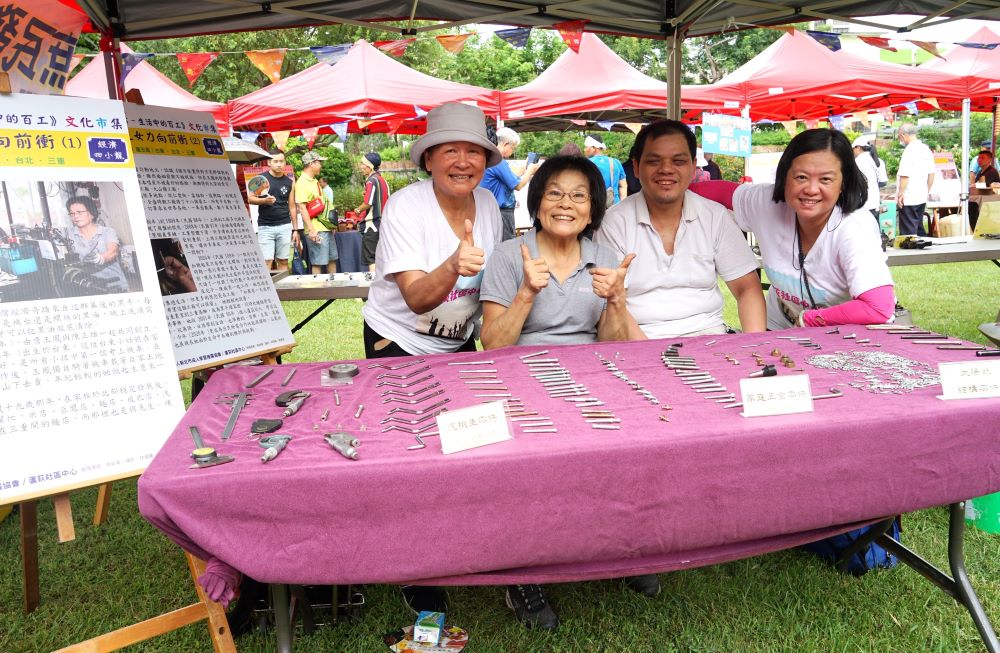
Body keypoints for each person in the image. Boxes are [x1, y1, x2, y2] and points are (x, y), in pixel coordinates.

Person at [478, 154, 659, 629]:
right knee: (525, 464)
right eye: (554, 192)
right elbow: (491, 345)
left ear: (593, 209)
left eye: (579, 195)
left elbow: (614, 346)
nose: (566, 203)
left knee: (629, 444)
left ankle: (623, 550)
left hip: (591, 374)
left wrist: (617, 300)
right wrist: (526, 294)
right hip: (517, 377)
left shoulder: (603, 259)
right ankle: (523, 573)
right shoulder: (508, 256)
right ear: (537, 203)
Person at [360, 100, 504, 623]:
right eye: (451, 151)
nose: (463, 161)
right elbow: (419, 297)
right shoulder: (405, 207)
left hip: (458, 342)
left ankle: (461, 547)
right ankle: (417, 576)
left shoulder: (488, 203)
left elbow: (491, 281)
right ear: (429, 159)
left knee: (465, 447)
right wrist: (453, 261)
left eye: (473, 151)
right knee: (407, 455)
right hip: (398, 340)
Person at [691, 128, 895, 330]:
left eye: (826, 179)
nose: (811, 189)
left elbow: (879, 307)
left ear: (843, 183)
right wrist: (664, 194)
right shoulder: (767, 202)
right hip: (776, 324)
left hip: (840, 335)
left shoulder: (853, 227)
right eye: (801, 177)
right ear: (784, 175)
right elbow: (719, 191)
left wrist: (809, 319)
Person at [594, 119, 766, 338]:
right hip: (639, 339)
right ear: (636, 167)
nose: (666, 169)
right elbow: (613, 304)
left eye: (678, 161)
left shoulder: (715, 216)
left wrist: (753, 343)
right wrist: (653, 360)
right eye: (654, 161)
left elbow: (747, 288)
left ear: (694, 167)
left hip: (710, 336)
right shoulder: (614, 223)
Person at [480, 127, 540, 241]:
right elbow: (518, 185)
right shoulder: (498, 161)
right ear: (506, 144)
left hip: (492, 209)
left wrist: (524, 169)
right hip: (501, 212)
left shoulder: (491, 159)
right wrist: (530, 171)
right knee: (506, 243)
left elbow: (510, 177)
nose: (512, 151)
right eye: (512, 148)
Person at [65, 195, 128, 292]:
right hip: (89, 286)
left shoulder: (107, 232)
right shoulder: (69, 234)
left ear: (92, 213)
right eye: (72, 213)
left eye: (79, 212)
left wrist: (101, 258)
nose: (75, 216)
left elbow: (113, 251)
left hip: (114, 284)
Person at [249, 152, 295, 272]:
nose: (279, 164)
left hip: (285, 225)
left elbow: (292, 206)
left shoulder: (289, 182)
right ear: (269, 162)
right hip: (265, 226)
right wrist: (264, 200)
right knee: (266, 261)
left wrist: (295, 229)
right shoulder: (260, 179)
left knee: (284, 260)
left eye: (281, 161)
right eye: (275, 161)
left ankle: (283, 290)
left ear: (285, 162)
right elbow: (250, 198)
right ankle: (268, 289)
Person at [295, 150, 338, 274]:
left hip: (325, 227)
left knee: (332, 259)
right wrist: (312, 230)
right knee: (318, 262)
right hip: (316, 229)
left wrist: (331, 224)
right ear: (311, 163)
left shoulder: (314, 181)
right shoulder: (302, 183)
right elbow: (302, 208)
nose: (321, 165)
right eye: (319, 162)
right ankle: (318, 291)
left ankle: (333, 290)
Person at [896, 123, 936, 236]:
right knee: (918, 227)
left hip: (909, 197)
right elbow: (931, 174)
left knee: (909, 232)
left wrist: (901, 194)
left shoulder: (909, 150)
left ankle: (911, 252)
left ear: (903, 136)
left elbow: (905, 174)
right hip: (921, 195)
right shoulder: (925, 149)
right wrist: (926, 191)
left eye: (899, 137)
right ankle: (922, 251)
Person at [354, 152, 390, 271]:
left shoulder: (371, 181)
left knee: (371, 258)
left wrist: (358, 209)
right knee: (383, 257)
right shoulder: (382, 180)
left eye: (362, 163)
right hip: (384, 224)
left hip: (372, 225)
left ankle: (373, 286)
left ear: (369, 166)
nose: (361, 166)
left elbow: (368, 203)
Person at [584, 134, 628, 205]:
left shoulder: (586, 163)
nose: (584, 149)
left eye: (586, 147)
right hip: (614, 205)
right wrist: (622, 205)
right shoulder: (615, 162)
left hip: (594, 206)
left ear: (594, 148)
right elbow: (623, 185)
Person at [968, 149, 1000, 231]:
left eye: (982, 158)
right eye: (979, 158)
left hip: (989, 205)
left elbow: (985, 186)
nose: (979, 160)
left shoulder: (992, 172)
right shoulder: (980, 172)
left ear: (989, 160)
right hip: (979, 201)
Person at [852, 135, 881, 223]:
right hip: (874, 201)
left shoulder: (860, 160)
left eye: (853, 148)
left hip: (866, 203)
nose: (852, 151)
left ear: (858, 147)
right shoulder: (870, 158)